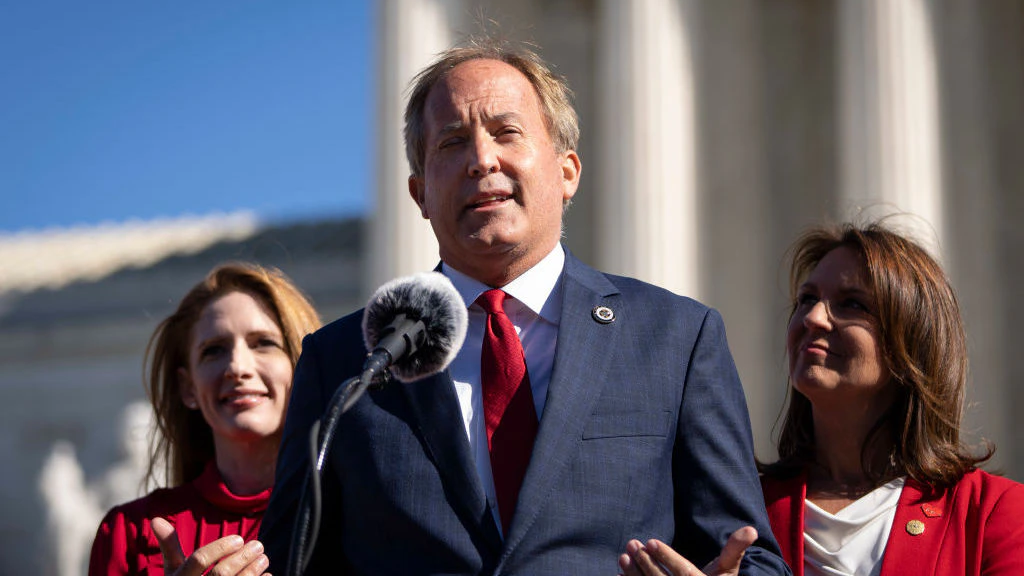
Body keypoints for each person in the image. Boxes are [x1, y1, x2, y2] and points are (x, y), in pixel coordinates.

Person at [259, 38, 789, 575]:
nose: (481, 159)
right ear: (419, 194)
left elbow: (752, 556)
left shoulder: (676, 338)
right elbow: (291, 563)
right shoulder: (344, 361)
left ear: (567, 172)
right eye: (451, 142)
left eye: (506, 132)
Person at [753, 223, 1024, 575]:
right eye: (807, 299)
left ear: (910, 343)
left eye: (851, 303)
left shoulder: (994, 513)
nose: (813, 318)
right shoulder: (745, 509)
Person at [89, 263, 321, 576]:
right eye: (214, 351)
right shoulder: (129, 531)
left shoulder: (356, 515)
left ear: (301, 367)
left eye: (264, 343)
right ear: (188, 388)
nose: (238, 366)